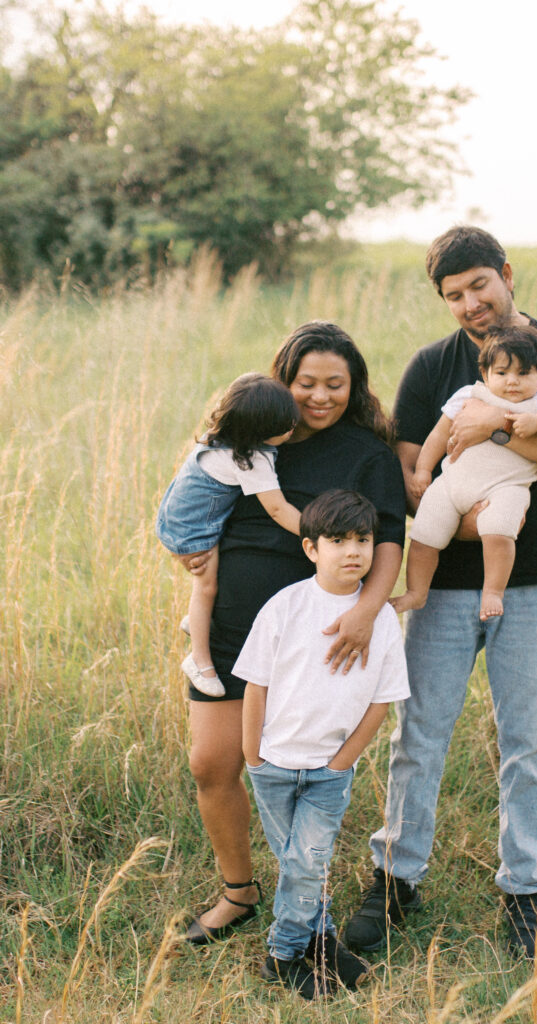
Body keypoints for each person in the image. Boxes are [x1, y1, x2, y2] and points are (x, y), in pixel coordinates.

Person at [343, 226, 537, 959]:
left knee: (527, 740)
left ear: (506, 274)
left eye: (479, 286)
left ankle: (525, 890)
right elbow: (413, 477)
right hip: (444, 584)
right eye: (453, 294)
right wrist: (476, 521)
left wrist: (497, 424)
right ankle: (396, 879)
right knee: (419, 732)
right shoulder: (434, 366)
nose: (469, 304)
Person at [182, 321, 406, 947]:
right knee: (211, 762)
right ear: (284, 380)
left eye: (336, 384)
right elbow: (196, 500)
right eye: (307, 383)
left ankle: (303, 905)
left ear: (354, 387)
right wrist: (189, 550)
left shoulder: (367, 454)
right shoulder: (249, 436)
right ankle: (239, 892)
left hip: (314, 637)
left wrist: (366, 612)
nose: (320, 396)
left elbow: (390, 539)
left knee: (303, 773)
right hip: (232, 621)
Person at [235, 490, 410, 999]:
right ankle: (320, 940)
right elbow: (256, 684)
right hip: (273, 764)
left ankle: (282, 954)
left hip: (328, 772)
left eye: (363, 539)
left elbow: (382, 700)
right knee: (302, 866)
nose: (353, 550)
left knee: (306, 863)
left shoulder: (380, 619)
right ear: (311, 548)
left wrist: (341, 763)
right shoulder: (285, 606)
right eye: (337, 540)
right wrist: (252, 755)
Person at [390, 324, 537, 621]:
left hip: (505, 488)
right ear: (486, 373)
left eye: (523, 373)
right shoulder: (469, 395)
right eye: (502, 373)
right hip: (452, 484)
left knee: (498, 531)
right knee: (424, 536)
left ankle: (493, 591)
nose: (512, 381)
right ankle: (416, 591)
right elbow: (439, 435)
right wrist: (423, 470)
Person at [156, 372, 300, 697]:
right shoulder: (250, 459)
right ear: (259, 431)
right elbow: (277, 509)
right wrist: (316, 531)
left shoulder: (227, 435)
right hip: (190, 527)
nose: (293, 426)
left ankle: (197, 620)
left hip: (177, 512)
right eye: (285, 425)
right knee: (206, 586)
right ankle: (199, 661)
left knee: (210, 584)